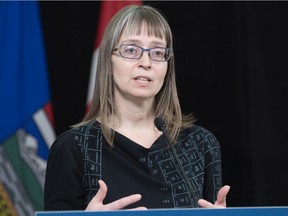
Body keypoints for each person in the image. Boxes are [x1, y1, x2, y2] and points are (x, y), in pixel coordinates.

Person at [44, 4, 230, 211]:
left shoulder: (200, 144)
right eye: (131, 50)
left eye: (158, 52)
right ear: (108, 62)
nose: (146, 62)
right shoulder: (74, 147)